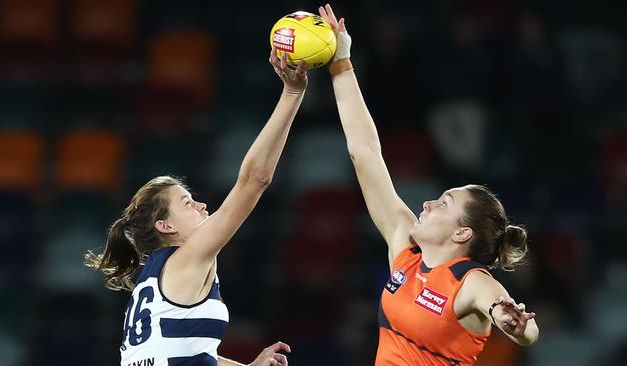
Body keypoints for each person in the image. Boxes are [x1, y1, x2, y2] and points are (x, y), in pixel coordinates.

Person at [318, 4, 539, 365]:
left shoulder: (470, 283)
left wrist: (514, 324)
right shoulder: (404, 252)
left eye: (444, 203)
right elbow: (365, 154)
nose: (427, 205)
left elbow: (519, 325)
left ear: (461, 234)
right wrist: (342, 64)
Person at [85, 49, 307, 366]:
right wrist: (292, 92)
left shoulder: (156, 276)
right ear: (166, 226)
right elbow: (255, 179)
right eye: (187, 203)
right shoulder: (187, 257)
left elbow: (188, 354)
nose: (202, 206)